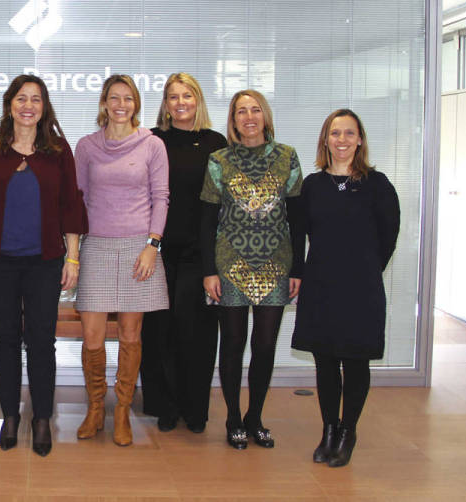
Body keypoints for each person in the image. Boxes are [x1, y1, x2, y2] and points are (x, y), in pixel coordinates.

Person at [0, 74, 87, 457]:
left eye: (35, 99)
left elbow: (71, 208)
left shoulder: (59, 151)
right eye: (21, 99)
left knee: (42, 343)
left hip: (45, 262)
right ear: (9, 104)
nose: (28, 106)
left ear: (44, 107)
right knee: (6, 341)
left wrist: (74, 258)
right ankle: (11, 416)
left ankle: (42, 418)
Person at [292, 109, 399, 467]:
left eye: (349, 133)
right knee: (325, 361)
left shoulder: (378, 185)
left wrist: (365, 270)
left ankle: (348, 431)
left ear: (360, 140)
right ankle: (329, 429)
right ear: (326, 140)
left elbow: (388, 238)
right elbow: (300, 235)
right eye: (335, 134)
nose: (341, 140)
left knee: (355, 362)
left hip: (361, 287)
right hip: (321, 283)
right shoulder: (313, 185)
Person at [200, 89, 304, 450]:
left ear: (265, 116)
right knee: (231, 343)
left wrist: (298, 269)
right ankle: (232, 418)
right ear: (233, 119)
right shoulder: (218, 160)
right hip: (230, 263)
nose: (249, 117)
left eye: (255, 110)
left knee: (264, 345)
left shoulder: (287, 157)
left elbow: (298, 216)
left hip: (276, 263)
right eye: (241, 111)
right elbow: (207, 219)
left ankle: (255, 417)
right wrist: (209, 269)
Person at [74, 74, 170, 446]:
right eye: (114, 97)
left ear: (136, 104)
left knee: (131, 335)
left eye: (127, 98)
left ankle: (122, 412)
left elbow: (161, 197)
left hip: (138, 249)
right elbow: (77, 200)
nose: (120, 104)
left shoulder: (152, 145)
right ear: (104, 102)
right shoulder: (86, 146)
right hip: (96, 246)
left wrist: (152, 245)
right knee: (93, 337)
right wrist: (72, 253)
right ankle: (96, 408)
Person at [139, 73, 227, 434]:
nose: (180, 103)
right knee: (159, 331)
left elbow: (224, 201)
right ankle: (164, 406)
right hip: (155, 249)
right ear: (165, 104)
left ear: (198, 100)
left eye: (186, 95)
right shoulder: (152, 139)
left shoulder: (216, 142)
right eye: (172, 96)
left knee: (196, 332)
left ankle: (195, 410)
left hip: (199, 252)